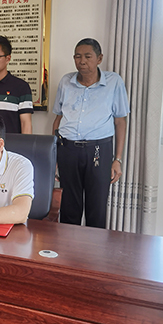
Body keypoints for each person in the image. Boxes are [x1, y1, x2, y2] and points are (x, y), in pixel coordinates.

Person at [52, 38, 129, 228]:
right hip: (67, 149)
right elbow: (58, 119)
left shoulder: (113, 82)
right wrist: (54, 156)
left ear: (99, 58)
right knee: (69, 206)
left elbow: (120, 121)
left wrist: (117, 159)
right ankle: (68, 246)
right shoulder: (66, 81)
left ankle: (95, 247)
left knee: (97, 207)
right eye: (77, 56)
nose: (82, 61)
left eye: (88, 56)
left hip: (98, 150)